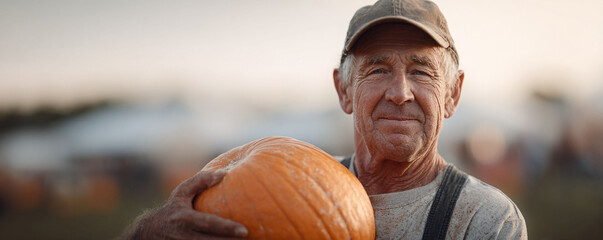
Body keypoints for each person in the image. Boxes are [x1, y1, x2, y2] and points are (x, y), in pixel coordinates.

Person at [121, 0, 527, 239]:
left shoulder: (484, 220)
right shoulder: (278, 186)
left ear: (452, 94)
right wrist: (152, 231)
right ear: (344, 90)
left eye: (421, 71)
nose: (400, 91)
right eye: (378, 69)